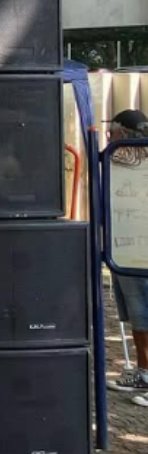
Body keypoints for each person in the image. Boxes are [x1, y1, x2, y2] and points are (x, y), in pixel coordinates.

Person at [106, 109, 148, 406]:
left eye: (114, 133)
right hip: (125, 247)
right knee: (136, 314)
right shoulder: (117, 160)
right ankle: (144, 371)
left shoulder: (128, 160)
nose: (110, 137)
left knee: (142, 313)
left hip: (138, 249)